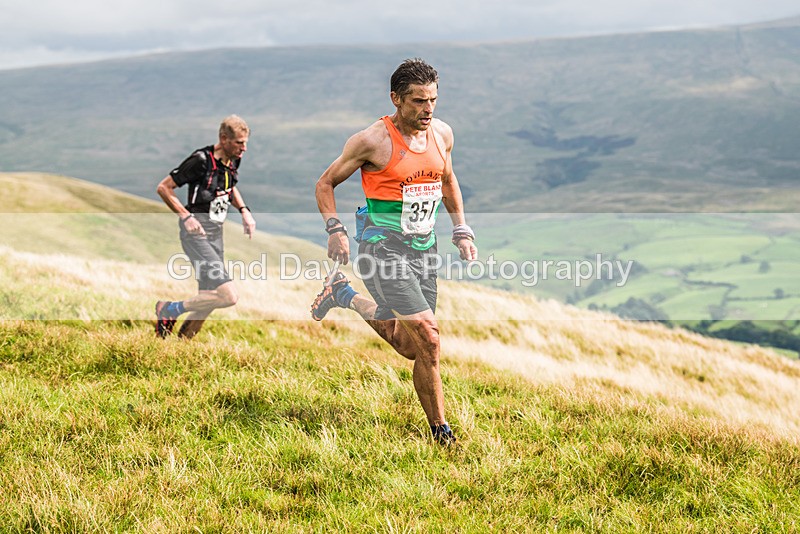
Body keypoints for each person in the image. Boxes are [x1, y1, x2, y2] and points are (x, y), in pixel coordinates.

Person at [311, 58, 478, 445]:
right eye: (419, 101)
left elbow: (448, 180)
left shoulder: (442, 134)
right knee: (430, 338)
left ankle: (343, 294)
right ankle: (442, 432)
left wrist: (461, 229)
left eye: (433, 99)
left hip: (423, 249)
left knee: (410, 345)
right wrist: (334, 229)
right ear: (396, 99)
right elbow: (325, 183)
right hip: (381, 248)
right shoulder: (372, 140)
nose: (428, 109)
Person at [154, 115, 256, 339]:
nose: (244, 148)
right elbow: (164, 188)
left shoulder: (233, 159)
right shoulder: (200, 160)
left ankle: (181, 346)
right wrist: (186, 217)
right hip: (196, 232)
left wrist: (244, 211)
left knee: (208, 298)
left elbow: (230, 187)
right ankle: (169, 309)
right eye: (239, 143)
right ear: (224, 139)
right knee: (228, 296)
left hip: (216, 233)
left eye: (245, 142)